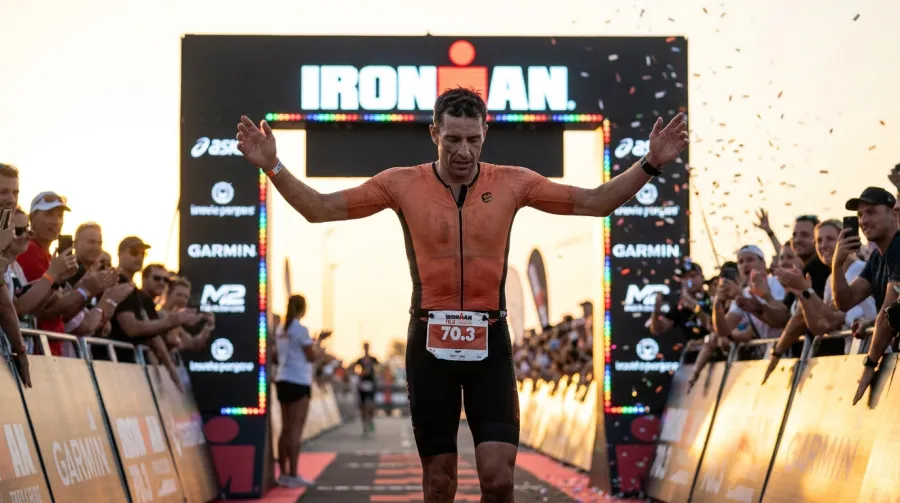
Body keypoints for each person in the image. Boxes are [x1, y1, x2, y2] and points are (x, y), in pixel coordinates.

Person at [236, 88, 688, 502]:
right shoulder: (401, 183)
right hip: (429, 343)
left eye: (473, 139)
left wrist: (650, 162)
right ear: (434, 134)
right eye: (452, 139)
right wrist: (273, 166)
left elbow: (596, 201)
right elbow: (319, 209)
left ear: (485, 133)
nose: (463, 151)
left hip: (490, 341)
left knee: (499, 478)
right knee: (439, 483)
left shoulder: (513, 181)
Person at [830, 188, 900, 404]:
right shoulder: (877, 257)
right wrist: (837, 264)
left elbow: (887, 315)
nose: (863, 221)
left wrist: (870, 364)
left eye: (871, 212)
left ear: (893, 214)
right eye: (860, 215)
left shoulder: (899, 247)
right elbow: (845, 301)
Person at [274, 295, 329, 488]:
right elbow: (311, 356)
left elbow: (279, 354)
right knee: (296, 429)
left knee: (285, 429)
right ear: (303, 309)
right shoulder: (301, 329)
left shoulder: (281, 329)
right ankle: (293, 473)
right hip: (298, 380)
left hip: (282, 379)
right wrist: (319, 346)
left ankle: (283, 473)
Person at [354, 342, 380, 436]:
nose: (366, 349)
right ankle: (364, 424)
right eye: (365, 347)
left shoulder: (373, 359)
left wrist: (375, 374)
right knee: (363, 405)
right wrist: (360, 374)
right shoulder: (360, 360)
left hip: (371, 383)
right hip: (362, 383)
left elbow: (379, 367)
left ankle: (370, 419)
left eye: (367, 347)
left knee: (371, 404)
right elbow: (354, 368)